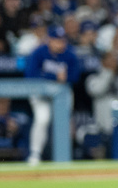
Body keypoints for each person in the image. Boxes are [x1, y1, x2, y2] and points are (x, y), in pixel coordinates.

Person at [23, 24, 81, 165]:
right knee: (42, 119)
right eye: (56, 40)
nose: (60, 43)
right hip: (40, 93)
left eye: (62, 40)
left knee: (63, 123)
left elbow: (76, 75)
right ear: (49, 39)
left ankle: (63, 157)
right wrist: (53, 76)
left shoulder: (70, 54)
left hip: (61, 93)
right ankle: (35, 155)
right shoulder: (38, 52)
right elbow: (30, 75)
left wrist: (66, 78)